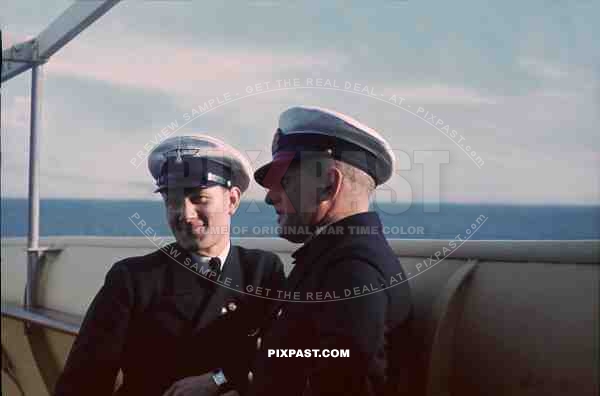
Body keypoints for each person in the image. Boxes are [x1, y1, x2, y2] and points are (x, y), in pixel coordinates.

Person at [54, 135, 285, 396]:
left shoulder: (262, 271)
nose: (184, 214)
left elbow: (282, 354)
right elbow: (84, 378)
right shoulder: (133, 279)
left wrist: (220, 379)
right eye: (172, 200)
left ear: (232, 200)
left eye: (199, 198)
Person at [248, 106, 412, 396]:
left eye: (284, 182)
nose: (269, 197)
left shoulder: (352, 270)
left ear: (327, 186)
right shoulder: (333, 258)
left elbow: (341, 376)